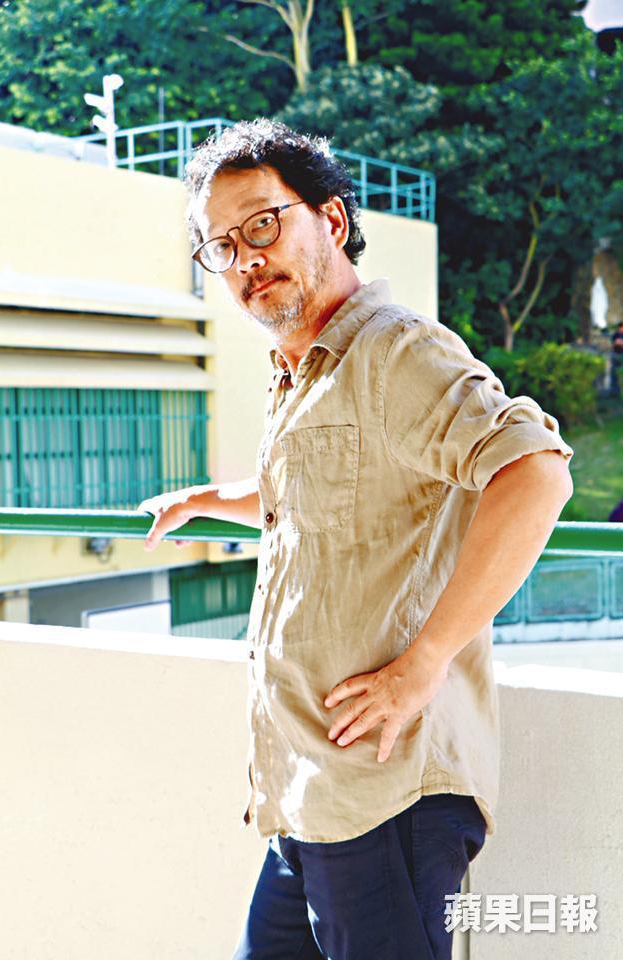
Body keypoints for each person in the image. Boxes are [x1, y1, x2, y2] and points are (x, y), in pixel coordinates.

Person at [139, 119, 574, 960]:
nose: (246, 258)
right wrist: (209, 499)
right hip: (308, 792)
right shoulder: (306, 370)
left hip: (388, 796)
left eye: (263, 225)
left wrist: (424, 662)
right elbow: (329, 489)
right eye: (222, 246)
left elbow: (535, 472)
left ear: (331, 220)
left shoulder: (394, 350)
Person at [610, 320, 623, 397]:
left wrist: (619, 342)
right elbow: (615, 343)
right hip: (616, 355)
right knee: (614, 373)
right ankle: (614, 391)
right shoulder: (616, 335)